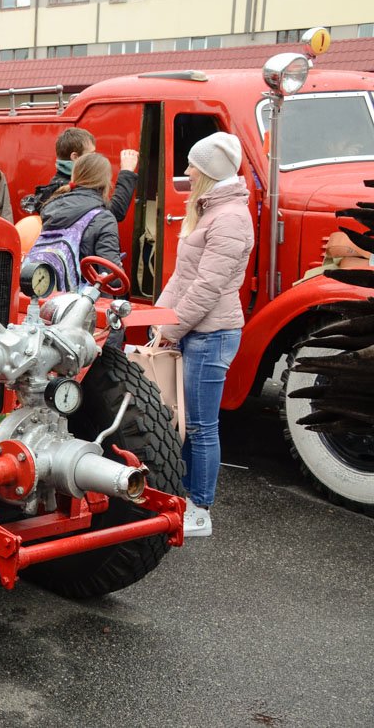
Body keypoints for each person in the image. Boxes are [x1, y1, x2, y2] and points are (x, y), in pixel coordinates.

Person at [155, 132, 254, 539]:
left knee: (201, 426)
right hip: (198, 330)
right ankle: (183, 499)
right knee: (186, 424)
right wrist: (159, 320)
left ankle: (200, 509)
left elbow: (207, 288)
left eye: (193, 165)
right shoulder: (213, 210)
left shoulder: (228, 217)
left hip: (211, 334)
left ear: (210, 171)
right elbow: (184, 277)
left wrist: (170, 327)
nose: (188, 171)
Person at [28, 152, 123, 285]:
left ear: (74, 176)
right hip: (84, 301)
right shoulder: (103, 217)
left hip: (50, 293)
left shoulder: (52, 208)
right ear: (105, 180)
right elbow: (112, 278)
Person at [26, 128, 139, 220]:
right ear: (75, 157)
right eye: (91, 153)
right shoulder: (69, 189)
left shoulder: (60, 183)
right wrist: (127, 171)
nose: (95, 157)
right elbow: (115, 212)